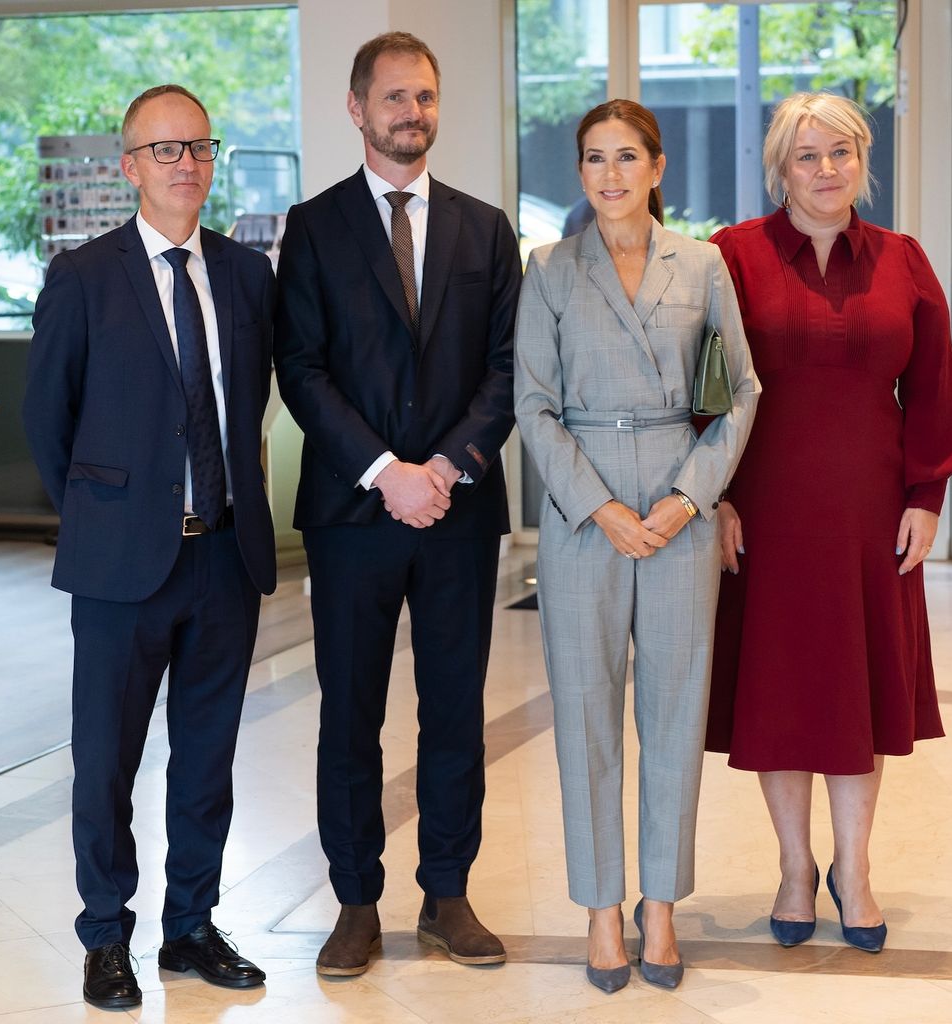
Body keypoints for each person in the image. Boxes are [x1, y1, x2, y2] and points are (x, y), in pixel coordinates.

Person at [273, 32, 521, 977]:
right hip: (352, 515)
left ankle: (448, 894)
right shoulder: (315, 225)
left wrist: (447, 467)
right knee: (351, 716)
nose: (411, 112)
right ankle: (356, 903)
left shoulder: (485, 228)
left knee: (455, 710)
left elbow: (505, 369)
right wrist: (387, 470)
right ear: (356, 108)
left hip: (457, 512)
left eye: (424, 96)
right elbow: (300, 367)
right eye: (393, 98)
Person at [23, 84, 276, 1010]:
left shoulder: (249, 279)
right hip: (123, 568)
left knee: (207, 760)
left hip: (224, 560)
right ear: (129, 167)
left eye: (200, 147)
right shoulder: (84, 278)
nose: (186, 165)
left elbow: (248, 408)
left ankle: (191, 928)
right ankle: (105, 935)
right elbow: (48, 421)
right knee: (108, 762)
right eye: (165, 150)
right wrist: (105, 515)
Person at [704, 92, 952, 953]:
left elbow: (932, 386)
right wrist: (714, 496)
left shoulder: (903, 259)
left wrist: (926, 499)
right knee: (781, 693)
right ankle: (793, 867)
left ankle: (854, 869)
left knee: (860, 692)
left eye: (843, 153)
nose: (827, 171)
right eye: (808, 156)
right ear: (781, 165)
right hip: (766, 513)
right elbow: (700, 390)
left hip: (870, 514)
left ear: (863, 160)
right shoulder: (731, 257)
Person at [514, 99, 759, 992]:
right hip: (587, 519)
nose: (609, 175)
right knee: (585, 717)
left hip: (678, 511)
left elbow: (739, 394)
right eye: (592, 158)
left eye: (626, 157)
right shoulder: (547, 269)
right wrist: (598, 505)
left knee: (672, 711)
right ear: (578, 173)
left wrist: (692, 498)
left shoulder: (704, 265)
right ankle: (601, 910)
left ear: (657, 168)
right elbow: (532, 405)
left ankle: (660, 906)